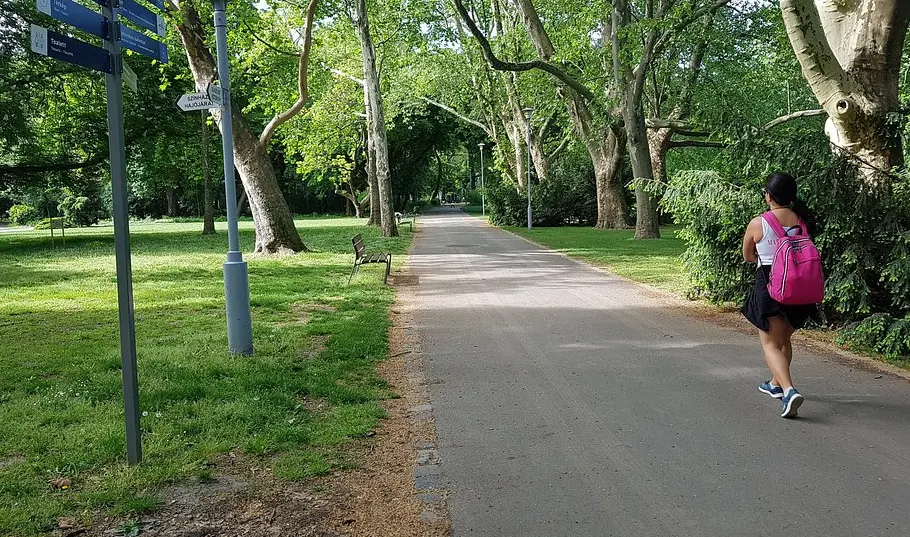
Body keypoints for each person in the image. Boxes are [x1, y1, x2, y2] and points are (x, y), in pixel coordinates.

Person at [741, 172, 819, 418]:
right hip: (802, 290)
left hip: (772, 287)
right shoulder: (802, 220)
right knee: (784, 339)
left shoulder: (759, 223)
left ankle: (788, 390)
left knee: (770, 344)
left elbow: (748, 255)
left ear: (769, 196)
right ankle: (775, 383)